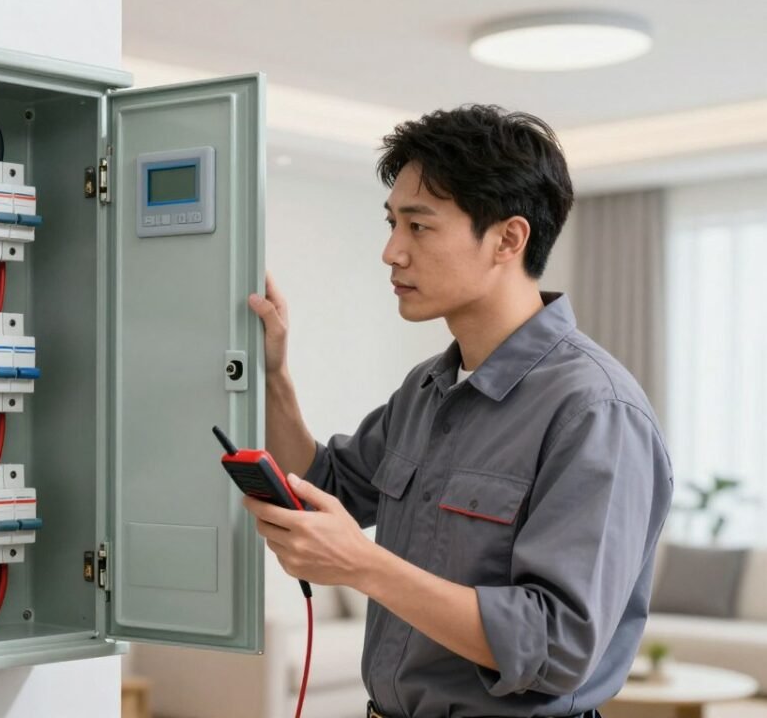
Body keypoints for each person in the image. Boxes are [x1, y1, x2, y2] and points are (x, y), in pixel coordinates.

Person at [244, 104, 673, 718]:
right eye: (392, 223)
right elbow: (321, 484)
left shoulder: (595, 411)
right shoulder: (428, 388)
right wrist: (273, 372)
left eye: (418, 226)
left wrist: (364, 567)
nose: (391, 252)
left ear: (508, 238)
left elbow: (555, 646)